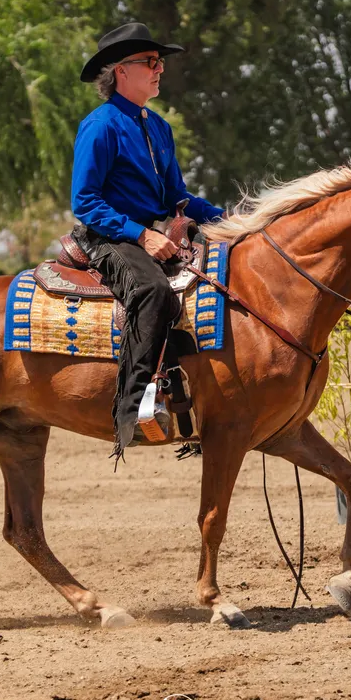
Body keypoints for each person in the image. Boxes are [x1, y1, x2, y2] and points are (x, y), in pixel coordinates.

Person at [71, 22, 224, 456]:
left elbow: (177, 197)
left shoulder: (158, 127)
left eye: (160, 63)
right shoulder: (99, 126)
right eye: (151, 62)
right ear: (121, 71)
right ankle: (133, 409)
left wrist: (230, 219)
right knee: (153, 291)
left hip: (146, 234)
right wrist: (142, 235)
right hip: (107, 236)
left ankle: (194, 402)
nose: (160, 69)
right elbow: (84, 201)